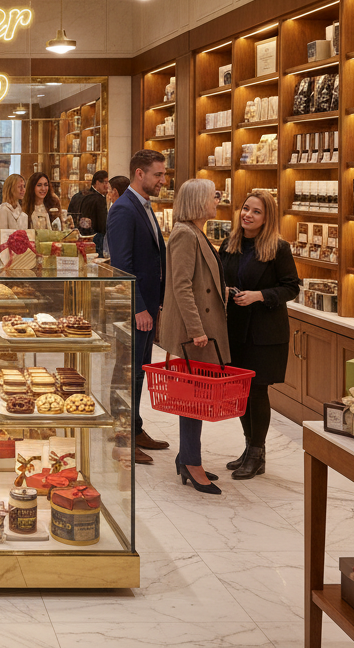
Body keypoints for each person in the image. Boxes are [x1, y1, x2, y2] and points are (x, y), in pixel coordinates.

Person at [219, 190, 301, 479]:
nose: (247, 215)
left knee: (257, 391)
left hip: (265, 334)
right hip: (235, 330)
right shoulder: (229, 244)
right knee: (240, 392)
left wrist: (259, 296)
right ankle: (248, 448)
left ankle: (257, 452)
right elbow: (219, 279)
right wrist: (226, 291)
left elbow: (291, 287)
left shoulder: (278, 248)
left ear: (267, 219)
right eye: (245, 208)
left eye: (256, 211)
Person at [157, 178, 230, 495]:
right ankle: (191, 461)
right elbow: (182, 286)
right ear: (198, 201)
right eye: (213, 195)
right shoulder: (185, 235)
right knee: (193, 398)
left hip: (201, 328)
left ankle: (188, 457)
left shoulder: (196, 232)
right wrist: (197, 329)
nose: (218, 199)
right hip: (194, 333)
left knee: (195, 396)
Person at [106, 149, 169, 465]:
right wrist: (139, 307)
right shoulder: (123, 209)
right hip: (136, 309)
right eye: (158, 174)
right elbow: (122, 265)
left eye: (163, 174)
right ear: (139, 174)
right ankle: (122, 439)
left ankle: (135, 427)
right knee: (126, 374)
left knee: (139, 372)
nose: (163, 180)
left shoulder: (144, 206)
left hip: (149, 307)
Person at [76, 171, 110, 251]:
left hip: (81, 237)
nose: (107, 186)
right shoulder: (99, 199)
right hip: (96, 239)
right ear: (97, 183)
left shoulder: (81, 195)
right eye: (105, 182)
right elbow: (102, 225)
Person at [0, 174, 28, 238]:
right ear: (11, 188)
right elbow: (1, 238)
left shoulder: (21, 211)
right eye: (20, 187)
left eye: (24, 186)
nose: (23, 190)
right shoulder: (3, 209)